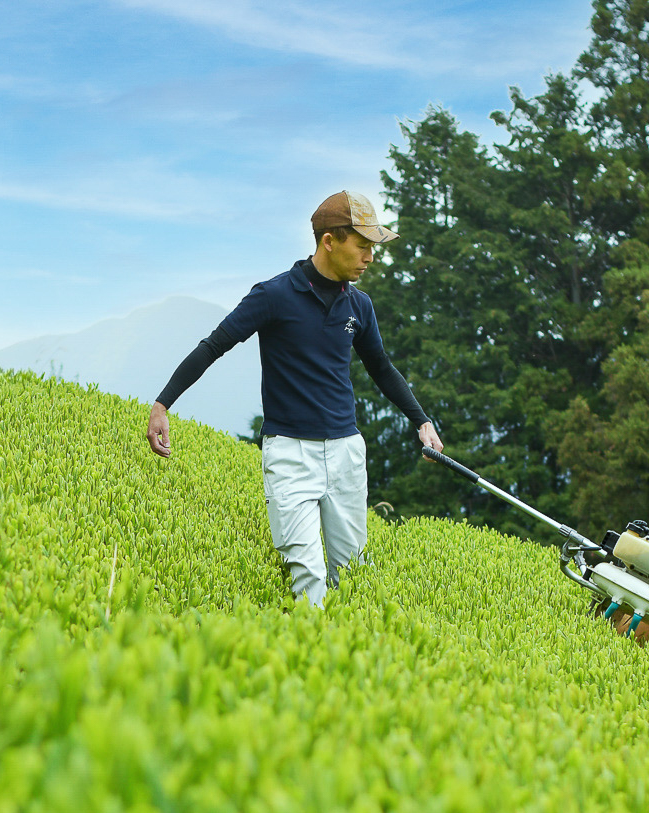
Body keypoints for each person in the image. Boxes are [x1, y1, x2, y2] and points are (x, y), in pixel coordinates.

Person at [144, 190, 442, 607]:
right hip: (289, 455)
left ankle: (349, 647)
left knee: (352, 573)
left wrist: (421, 421)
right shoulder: (273, 295)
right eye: (363, 245)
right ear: (329, 241)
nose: (370, 257)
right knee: (309, 575)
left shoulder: (360, 306)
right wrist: (162, 405)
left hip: (346, 453)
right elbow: (214, 346)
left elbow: (381, 367)